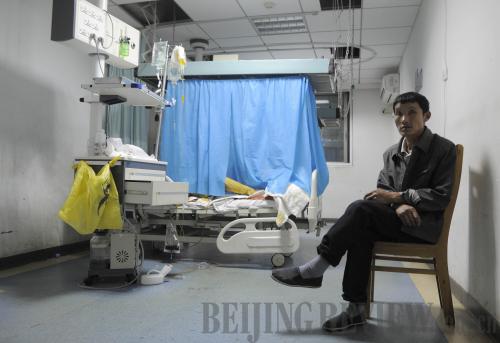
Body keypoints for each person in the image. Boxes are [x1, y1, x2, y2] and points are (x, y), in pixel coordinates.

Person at [271, 92, 457, 332]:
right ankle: (355, 309)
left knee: (360, 211)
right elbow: (382, 190)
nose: (404, 119)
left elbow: (441, 196)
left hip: (422, 226)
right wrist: (397, 203)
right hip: (397, 219)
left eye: (412, 112)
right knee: (361, 229)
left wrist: (399, 197)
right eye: (399, 113)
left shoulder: (443, 150)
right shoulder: (391, 152)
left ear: (426, 116)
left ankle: (315, 269)